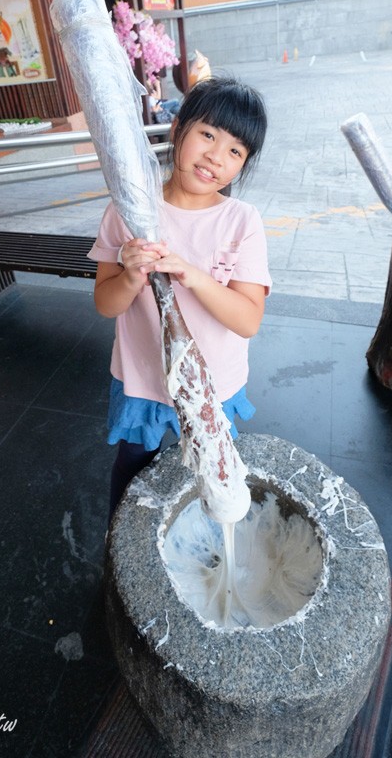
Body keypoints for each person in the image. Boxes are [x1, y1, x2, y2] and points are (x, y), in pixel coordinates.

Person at [88, 76, 270, 519]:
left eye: (235, 151)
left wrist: (192, 275)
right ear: (178, 129)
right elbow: (104, 303)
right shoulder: (129, 209)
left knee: (210, 472)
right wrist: (131, 277)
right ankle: (123, 547)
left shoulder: (241, 221)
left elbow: (247, 320)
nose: (215, 156)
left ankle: (204, 549)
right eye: (207, 134)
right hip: (143, 377)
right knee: (133, 466)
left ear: (243, 165)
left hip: (214, 382)